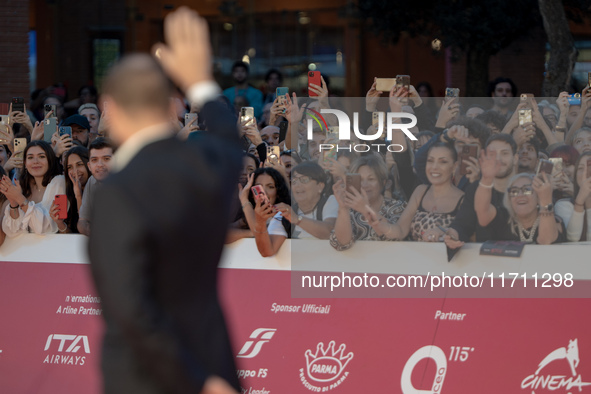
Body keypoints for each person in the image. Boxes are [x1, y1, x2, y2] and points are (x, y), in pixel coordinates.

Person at [88, 7, 241, 394]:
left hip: (148, 380)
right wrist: (201, 83)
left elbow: (131, 312)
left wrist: (199, 383)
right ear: (169, 102)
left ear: (110, 107)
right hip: (214, 362)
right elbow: (228, 137)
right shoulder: (208, 165)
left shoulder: (117, 192)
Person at [368, 142, 464, 242]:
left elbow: (469, 238)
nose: (434, 167)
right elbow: (400, 231)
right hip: (415, 256)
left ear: (454, 166)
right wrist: (381, 225)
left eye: (443, 162)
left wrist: (447, 233)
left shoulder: (463, 200)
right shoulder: (420, 191)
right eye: (430, 161)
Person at [444, 133, 519, 248]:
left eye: (504, 153)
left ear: (515, 159)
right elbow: (462, 224)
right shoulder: (475, 189)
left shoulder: (528, 188)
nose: (498, 159)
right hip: (484, 261)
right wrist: (453, 235)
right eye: (492, 154)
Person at [330, 153, 406, 251]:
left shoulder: (398, 207)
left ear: (383, 183)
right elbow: (342, 244)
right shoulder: (352, 211)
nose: (365, 185)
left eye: (371, 179)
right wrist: (343, 208)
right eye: (360, 180)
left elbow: (394, 237)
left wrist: (366, 209)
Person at [0, 140, 66, 235]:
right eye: (30, 157)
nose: (35, 162)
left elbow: (43, 227)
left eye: (41, 156)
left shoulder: (59, 181)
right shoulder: (21, 187)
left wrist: (19, 198)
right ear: (25, 164)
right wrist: (13, 204)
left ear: (50, 160)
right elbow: (12, 231)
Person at [477, 173, 565, 244]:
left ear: (538, 197)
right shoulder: (503, 217)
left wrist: (546, 200)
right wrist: (486, 180)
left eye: (527, 189)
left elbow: (546, 241)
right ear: (509, 199)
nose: (520, 195)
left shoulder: (554, 221)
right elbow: (482, 211)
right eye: (514, 191)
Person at [277, 161, 338, 239]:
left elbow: (329, 232)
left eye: (304, 180)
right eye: (294, 181)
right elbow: (270, 249)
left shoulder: (331, 201)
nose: (297, 185)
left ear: (320, 186)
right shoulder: (288, 211)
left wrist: (297, 219)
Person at [240, 167, 291, 256]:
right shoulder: (247, 216)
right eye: (258, 188)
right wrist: (251, 233)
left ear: (278, 192)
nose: (263, 192)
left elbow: (267, 252)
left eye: (270, 187)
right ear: (252, 194)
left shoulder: (282, 215)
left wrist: (245, 201)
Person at [77, 138, 113, 236]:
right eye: (94, 160)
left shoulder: (130, 183)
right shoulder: (92, 181)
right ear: (89, 166)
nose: (100, 165)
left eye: (106, 159)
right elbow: (82, 222)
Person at [555, 152, 591, 241]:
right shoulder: (563, 205)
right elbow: (572, 239)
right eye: (581, 168)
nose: (586, 173)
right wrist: (581, 200)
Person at [63, 146, 90, 233]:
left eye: (79, 165)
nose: (75, 171)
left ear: (88, 164)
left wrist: (79, 196)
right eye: (70, 167)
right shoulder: (68, 192)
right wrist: (59, 222)